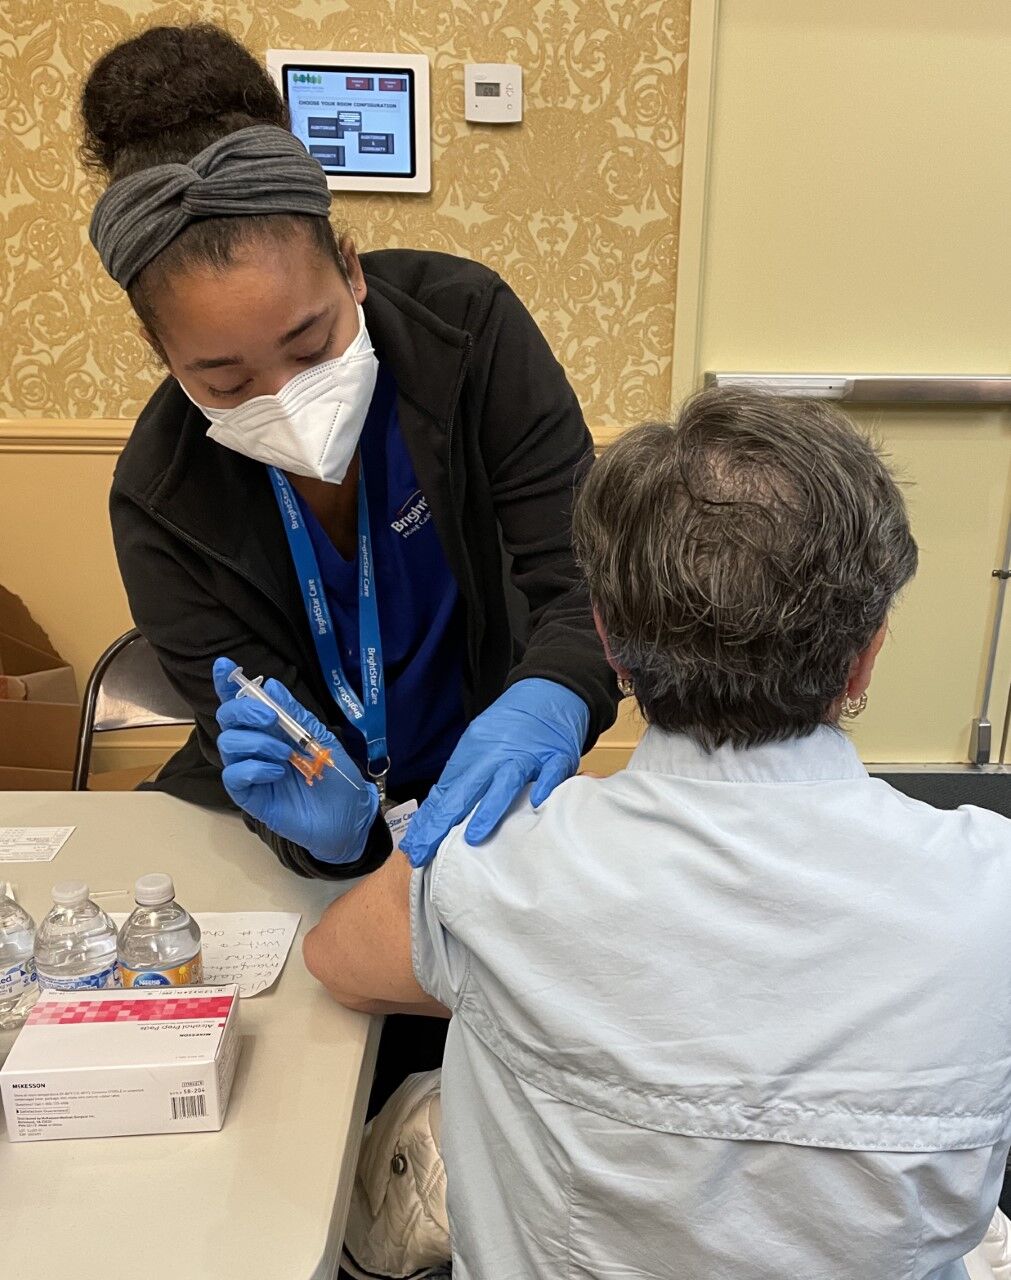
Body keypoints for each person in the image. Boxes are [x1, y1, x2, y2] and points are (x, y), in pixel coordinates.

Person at [230, 388, 1011, 1276]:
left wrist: (373, 846)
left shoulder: (504, 861)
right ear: (867, 649)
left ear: (606, 636)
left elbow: (338, 960)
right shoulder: (992, 890)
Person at [82, 21, 617, 1107]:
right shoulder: (159, 497)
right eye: (223, 379)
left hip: (482, 794)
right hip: (290, 855)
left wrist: (555, 692)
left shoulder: (470, 332)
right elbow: (264, 724)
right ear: (164, 358)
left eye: (312, 342)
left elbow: (584, 580)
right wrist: (317, 833)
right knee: (298, 1096)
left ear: (352, 267)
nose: (284, 396)